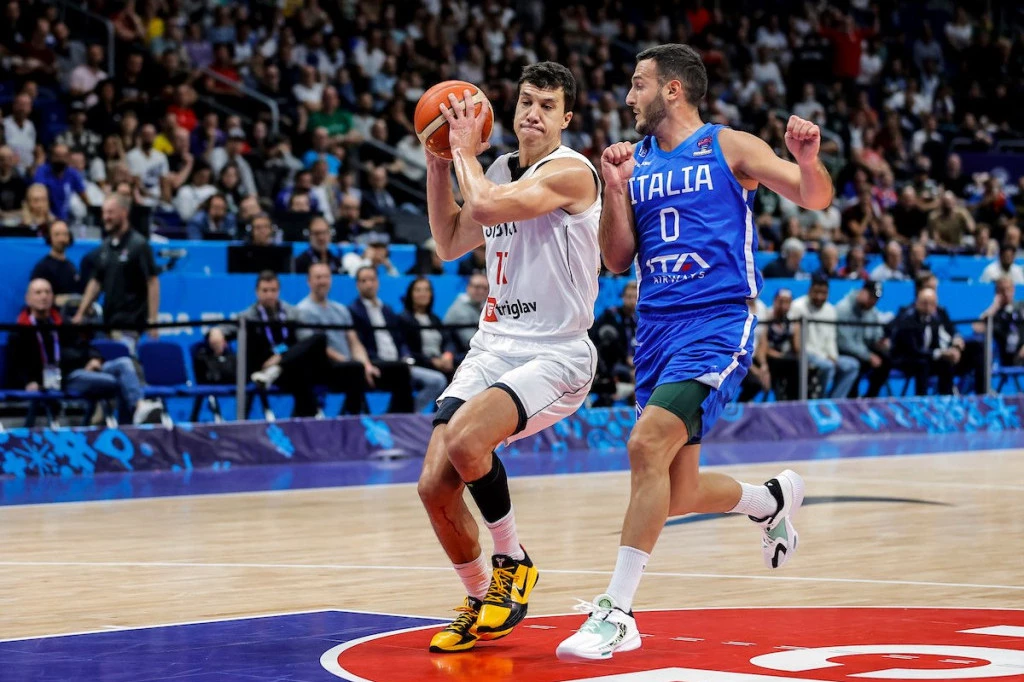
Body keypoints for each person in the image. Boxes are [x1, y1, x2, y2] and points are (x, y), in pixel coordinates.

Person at [557, 44, 832, 661]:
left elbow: (813, 197)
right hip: (655, 330)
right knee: (674, 493)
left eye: (638, 84)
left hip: (716, 321)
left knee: (645, 445)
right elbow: (616, 259)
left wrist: (808, 161)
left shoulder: (728, 146)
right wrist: (614, 187)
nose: (628, 96)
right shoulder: (635, 162)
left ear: (673, 89)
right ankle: (770, 500)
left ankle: (617, 612)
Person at [418, 62, 601, 653]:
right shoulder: (496, 169)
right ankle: (479, 598)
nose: (533, 114)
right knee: (433, 486)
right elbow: (449, 242)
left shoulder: (572, 172)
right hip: (493, 346)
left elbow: (490, 207)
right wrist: (438, 162)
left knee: (468, 440)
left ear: (566, 118)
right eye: (526, 102)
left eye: (548, 105)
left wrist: (461, 150)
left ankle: (513, 561)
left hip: (557, 354)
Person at [6, 278, 161, 425]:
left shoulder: (63, 324)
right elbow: (16, 365)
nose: (44, 296)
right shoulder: (20, 332)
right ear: (28, 299)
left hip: (86, 369)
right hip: (67, 377)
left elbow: (86, 346)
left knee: (124, 363)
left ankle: (139, 407)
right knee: (116, 381)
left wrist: (94, 359)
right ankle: (129, 421)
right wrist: (29, 382)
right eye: (38, 292)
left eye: (47, 292)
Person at [350, 266, 446, 413]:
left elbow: (400, 341)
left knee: (438, 379)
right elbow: (357, 343)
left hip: (400, 363)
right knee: (405, 374)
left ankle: (414, 415)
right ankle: (406, 417)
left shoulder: (387, 309)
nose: (369, 284)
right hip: (376, 363)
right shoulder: (354, 311)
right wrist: (367, 363)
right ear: (357, 284)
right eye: (364, 280)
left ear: (378, 282)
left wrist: (406, 357)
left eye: (372, 279)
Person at [72, 195, 160, 349]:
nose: (106, 217)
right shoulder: (105, 246)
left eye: (110, 212)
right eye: (104, 212)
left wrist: (152, 321)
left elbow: (152, 281)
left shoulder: (139, 244)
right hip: (108, 322)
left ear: (124, 213)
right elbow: (96, 281)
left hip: (130, 324)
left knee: (124, 360)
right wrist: (81, 313)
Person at [789, 273, 860, 399]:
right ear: (810, 290)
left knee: (852, 365)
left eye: (824, 293)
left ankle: (835, 400)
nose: (819, 296)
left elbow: (831, 338)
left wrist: (833, 357)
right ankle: (819, 401)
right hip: (806, 354)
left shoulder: (830, 310)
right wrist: (826, 358)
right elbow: (797, 343)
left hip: (825, 355)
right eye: (816, 292)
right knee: (827, 366)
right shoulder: (797, 306)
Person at [835, 279, 891, 397]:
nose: (873, 302)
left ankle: (871, 397)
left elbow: (877, 333)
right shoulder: (843, 308)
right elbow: (845, 343)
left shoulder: (872, 311)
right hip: (845, 352)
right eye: (871, 297)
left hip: (864, 351)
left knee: (886, 359)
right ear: (862, 292)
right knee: (856, 362)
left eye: (876, 299)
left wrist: (880, 342)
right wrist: (868, 356)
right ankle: (852, 398)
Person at [30, 220, 81, 305]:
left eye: (65, 234)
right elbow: (35, 298)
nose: (61, 239)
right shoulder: (42, 267)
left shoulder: (71, 266)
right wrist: (58, 300)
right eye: (57, 235)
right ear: (50, 238)